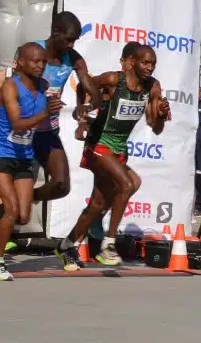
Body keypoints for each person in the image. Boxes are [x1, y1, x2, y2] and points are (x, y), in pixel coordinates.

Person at [54, 44, 169, 270]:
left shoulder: (153, 87)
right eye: (145, 62)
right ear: (132, 62)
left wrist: (162, 115)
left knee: (97, 205)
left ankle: (66, 245)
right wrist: (82, 114)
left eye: (153, 64)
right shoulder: (113, 80)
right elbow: (83, 85)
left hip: (119, 149)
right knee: (129, 182)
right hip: (99, 143)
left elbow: (155, 128)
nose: (150, 67)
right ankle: (108, 244)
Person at [0, 43, 55, 280]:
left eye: (43, 61)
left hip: (23, 153)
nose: (40, 65)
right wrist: (45, 113)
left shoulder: (43, 86)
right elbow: (18, 124)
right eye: (35, 61)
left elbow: (41, 117)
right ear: (20, 62)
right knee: (10, 209)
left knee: (22, 216)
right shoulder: (10, 86)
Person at [33, 12, 99, 205]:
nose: (71, 45)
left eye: (74, 41)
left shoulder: (74, 59)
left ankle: (27, 198)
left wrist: (86, 107)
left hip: (47, 131)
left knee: (61, 186)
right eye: (68, 40)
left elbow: (95, 94)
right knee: (11, 190)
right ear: (55, 32)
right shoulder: (33, 51)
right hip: (22, 128)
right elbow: (12, 88)